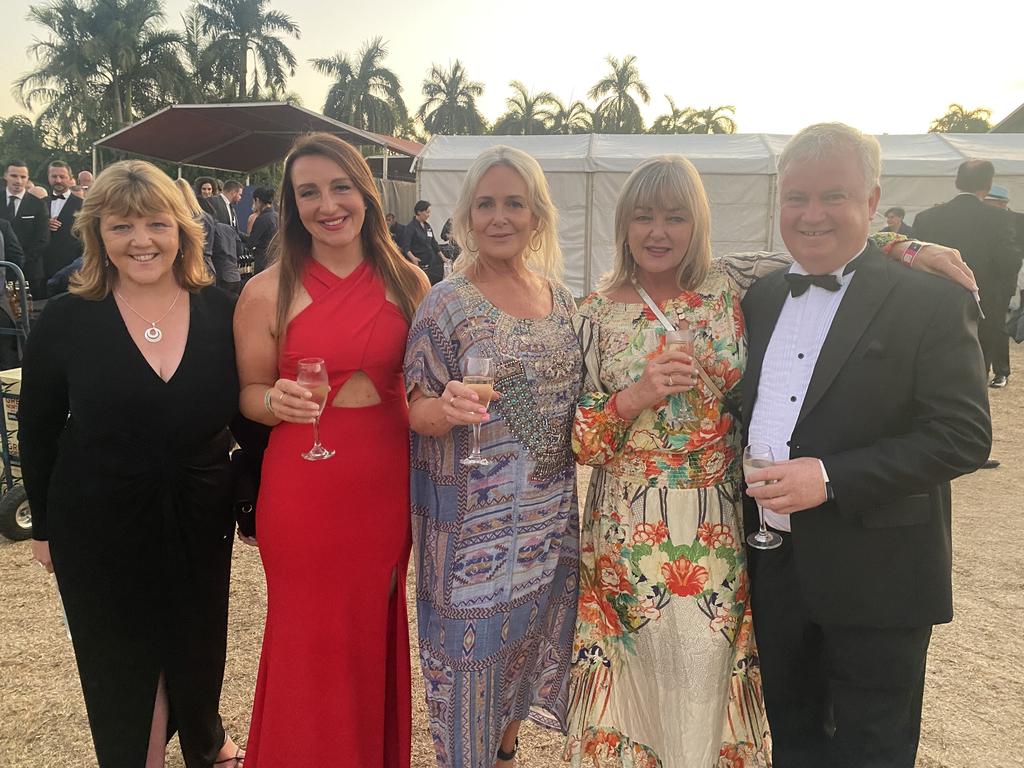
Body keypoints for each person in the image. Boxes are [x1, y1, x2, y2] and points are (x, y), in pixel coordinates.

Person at [743, 123, 992, 768]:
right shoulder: (761, 295)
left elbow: (963, 436)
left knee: (871, 752)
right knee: (791, 741)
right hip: (775, 570)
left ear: (873, 200)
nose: (812, 214)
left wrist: (828, 477)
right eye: (796, 197)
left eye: (835, 196)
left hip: (880, 574)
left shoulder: (931, 298)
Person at [19, 159, 245, 767]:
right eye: (121, 227)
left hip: (200, 509)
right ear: (98, 236)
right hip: (96, 515)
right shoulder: (66, 318)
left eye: (155, 223)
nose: (141, 240)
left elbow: (249, 416)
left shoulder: (224, 311)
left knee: (196, 641)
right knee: (119, 652)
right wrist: (42, 526)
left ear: (182, 231)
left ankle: (204, 737)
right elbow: (37, 429)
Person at [565, 156, 776, 767]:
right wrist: (636, 395)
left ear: (698, 223)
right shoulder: (594, 313)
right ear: (624, 225)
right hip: (626, 524)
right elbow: (579, 441)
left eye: (675, 217)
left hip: (718, 520)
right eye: (644, 216)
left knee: (709, 663)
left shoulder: (732, 286)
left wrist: (907, 247)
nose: (658, 232)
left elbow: (826, 245)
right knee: (637, 667)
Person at [234, 132, 428, 767]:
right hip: (303, 484)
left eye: (340, 187)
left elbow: (427, 387)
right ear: (292, 206)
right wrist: (274, 403)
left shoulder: (411, 282)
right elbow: (249, 394)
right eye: (308, 192)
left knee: (370, 630)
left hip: (384, 484)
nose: (327, 204)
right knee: (306, 636)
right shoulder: (266, 290)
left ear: (366, 196)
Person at [404, 145, 581, 767]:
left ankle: (507, 751)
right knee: (467, 664)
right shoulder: (446, 302)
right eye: (487, 204)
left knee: (525, 651)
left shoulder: (562, 300)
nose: (500, 217)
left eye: (515, 204)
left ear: (537, 216)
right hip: (469, 529)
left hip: (546, 519)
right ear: (467, 216)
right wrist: (445, 409)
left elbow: (574, 409)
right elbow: (414, 406)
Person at [913, 160, 1020, 393]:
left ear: (957, 182)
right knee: (976, 363)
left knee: (933, 361)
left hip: (932, 303)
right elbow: (1009, 263)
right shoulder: (1000, 219)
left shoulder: (927, 217)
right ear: (988, 184)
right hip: (984, 304)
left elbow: (914, 263)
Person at [981, 183, 1024, 387]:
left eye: (989, 203)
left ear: (1002, 203)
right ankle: (980, 369)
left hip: (1003, 281)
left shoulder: (1018, 220)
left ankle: (1001, 371)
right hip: (980, 280)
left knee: (997, 325)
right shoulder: (981, 220)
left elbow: (1017, 253)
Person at [2, 159, 50, 297]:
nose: (18, 181)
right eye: (14, 176)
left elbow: (43, 239)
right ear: (6, 176)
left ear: (28, 178)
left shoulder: (38, 205)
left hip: (29, 272)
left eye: (23, 177)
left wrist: (20, 261)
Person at [40, 160, 83, 297]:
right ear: (48, 177)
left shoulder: (82, 205)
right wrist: (44, 225)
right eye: (54, 176)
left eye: (62, 176)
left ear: (70, 178)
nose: (58, 180)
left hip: (70, 268)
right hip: (42, 269)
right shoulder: (40, 204)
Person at [400, 199, 444, 284]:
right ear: (419, 212)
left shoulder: (427, 226)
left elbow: (434, 243)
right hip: (420, 263)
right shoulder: (410, 227)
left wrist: (443, 257)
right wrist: (413, 259)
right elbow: (406, 246)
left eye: (429, 212)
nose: (429, 215)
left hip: (431, 261)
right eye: (427, 212)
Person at [247, 186, 278, 274]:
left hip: (262, 262)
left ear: (257, 200)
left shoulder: (262, 218)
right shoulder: (278, 217)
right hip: (276, 260)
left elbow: (251, 242)